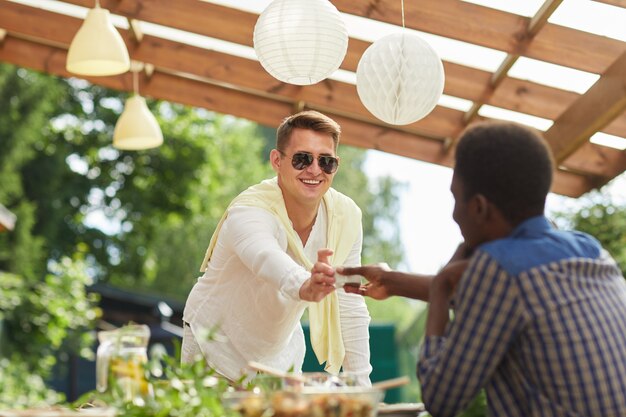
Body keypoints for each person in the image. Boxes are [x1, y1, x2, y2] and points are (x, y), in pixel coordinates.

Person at [340, 121, 626, 416]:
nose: (453, 214)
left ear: (478, 207)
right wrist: (392, 281)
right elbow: (496, 295)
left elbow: (441, 401)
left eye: (455, 198)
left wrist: (439, 289)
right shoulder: (590, 250)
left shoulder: (499, 269)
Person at [182, 110, 372, 386]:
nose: (315, 169)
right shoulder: (249, 209)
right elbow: (264, 256)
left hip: (279, 360)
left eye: (326, 161)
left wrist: (360, 385)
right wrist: (305, 285)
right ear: (277, 161)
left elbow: (350, 304)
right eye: (302, 159)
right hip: (214, 351)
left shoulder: (346, 218)